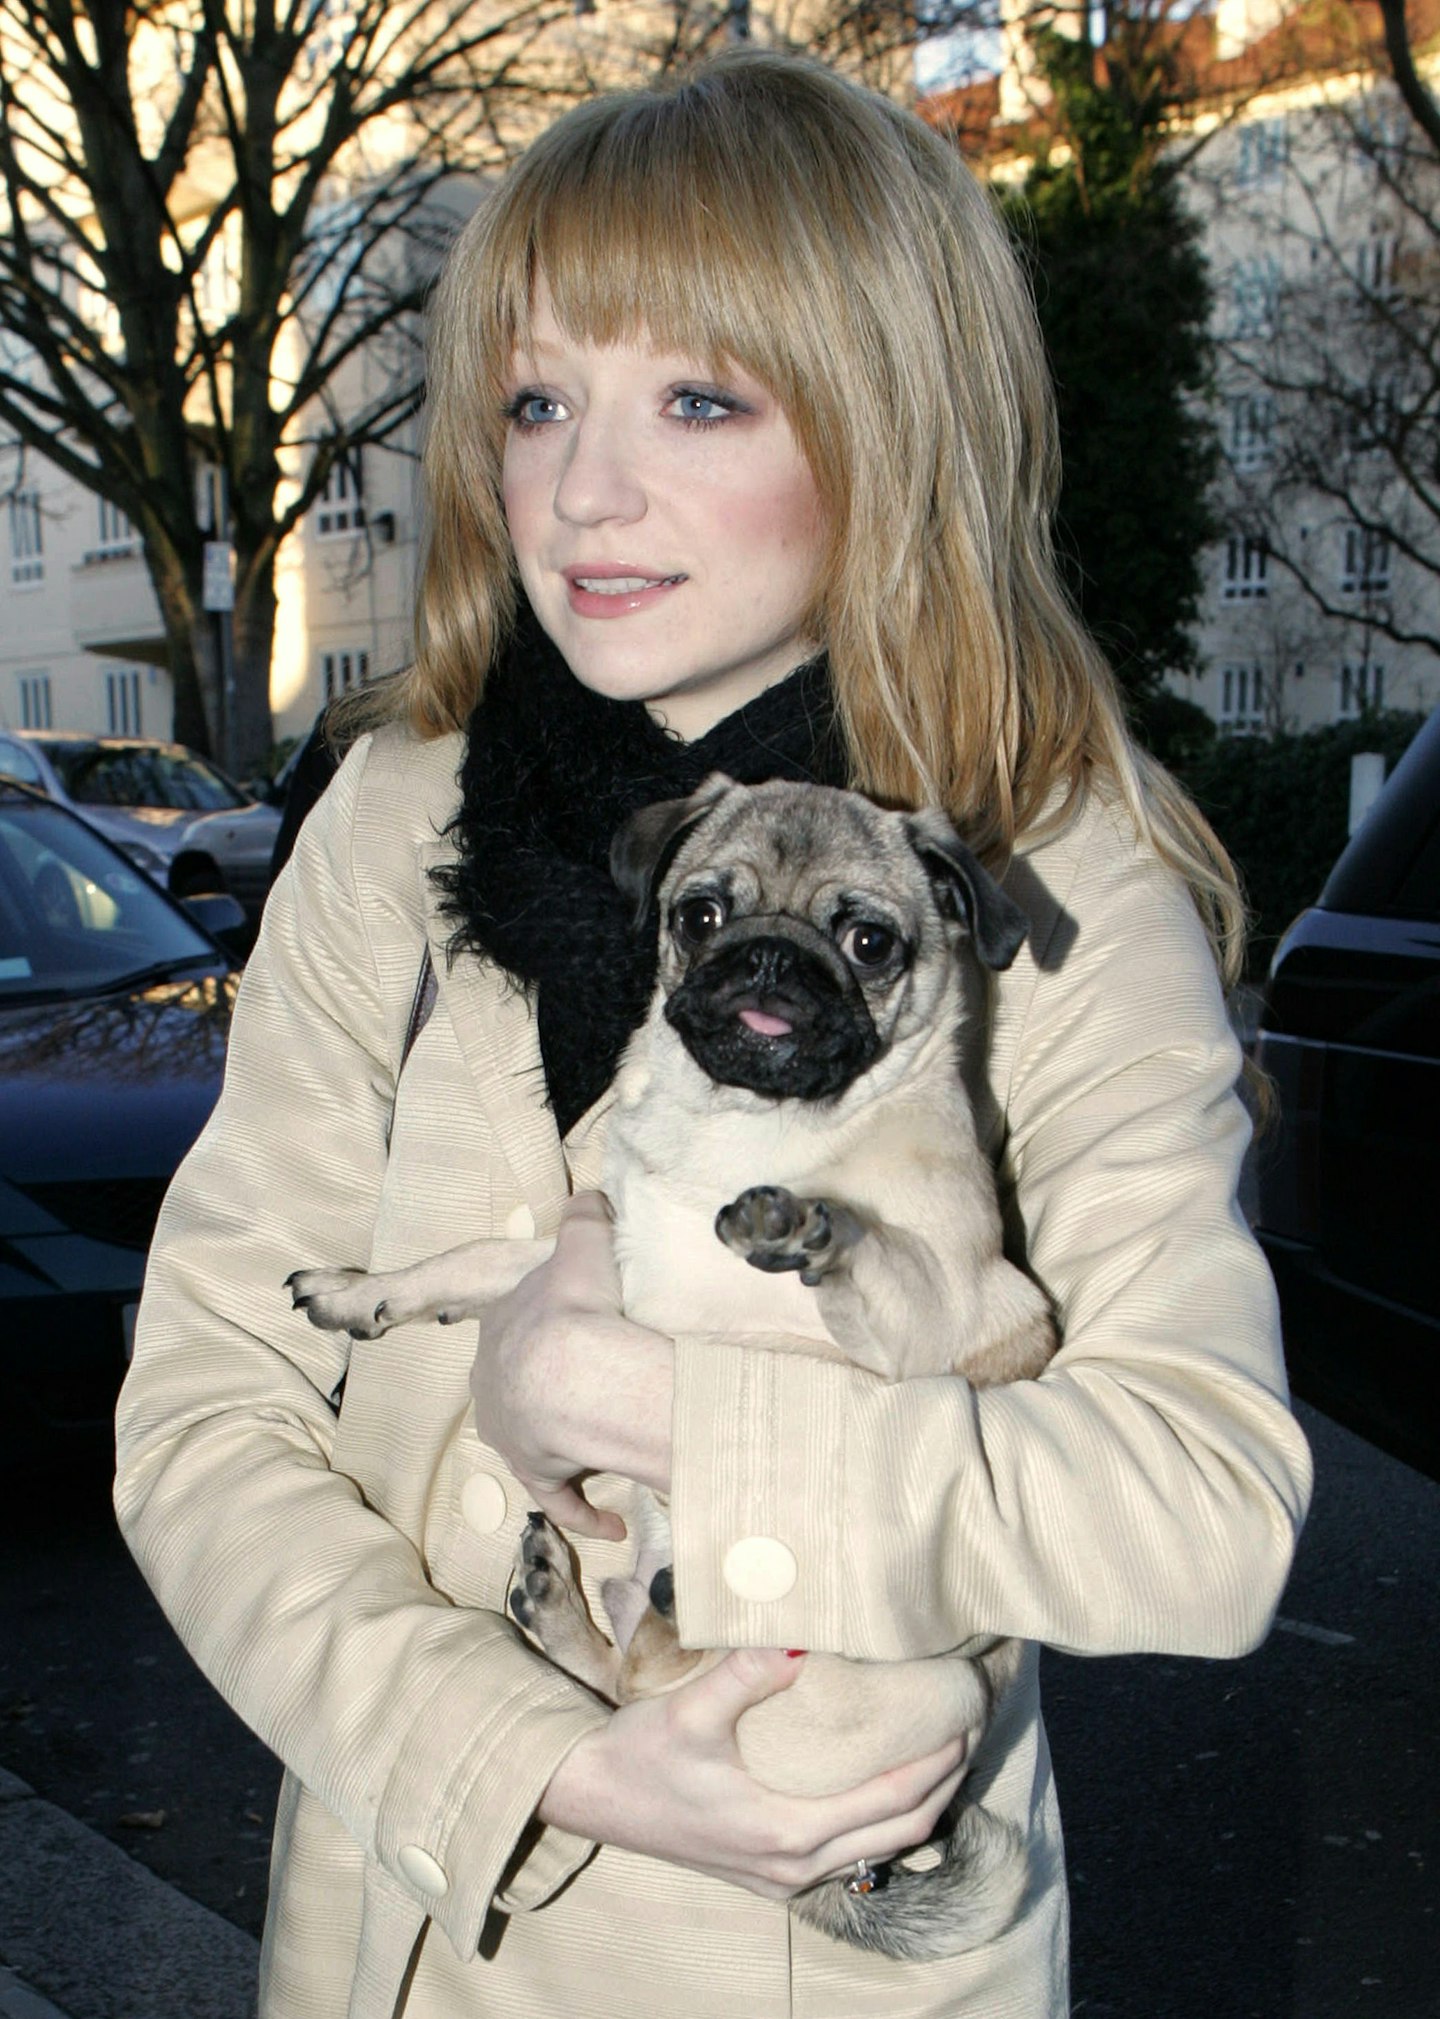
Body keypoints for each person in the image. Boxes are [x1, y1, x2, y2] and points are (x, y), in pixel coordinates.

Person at [114, 48, 1313, 2019]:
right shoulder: (399, 823)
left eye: (696, 397)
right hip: (409, 1938)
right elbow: (204, 1414)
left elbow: (1199, 1501)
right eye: (534, 398)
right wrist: (531, 1753)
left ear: (885, 425)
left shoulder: (1033, 867)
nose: (587, 486)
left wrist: (655, 1408)